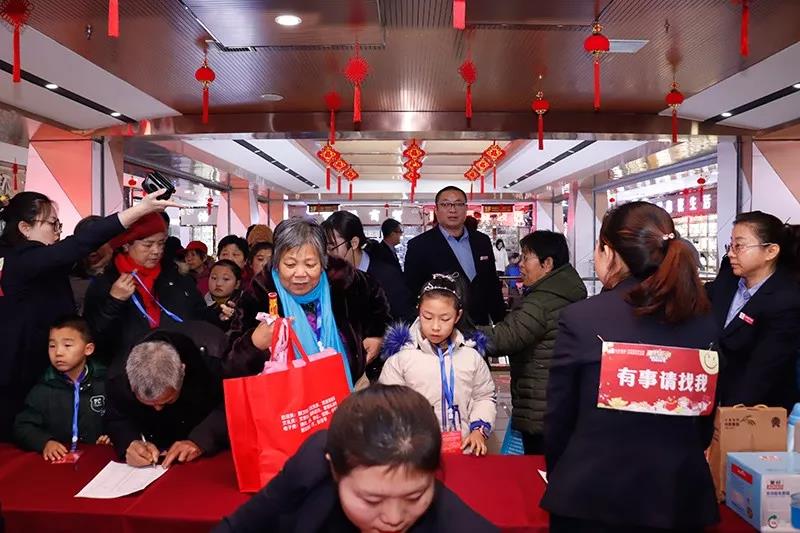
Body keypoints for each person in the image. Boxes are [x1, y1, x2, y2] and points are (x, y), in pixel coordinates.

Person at [541, 201, 719, 532]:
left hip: (591, 496)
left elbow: (559, 417)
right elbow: (702, 421)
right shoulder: (703, 319)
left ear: (609, 252)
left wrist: (562, 471)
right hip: (676, 497)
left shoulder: (584, 318)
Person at [0, 188, 176, 440]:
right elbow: (79, 243)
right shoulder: (21, 260)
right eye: (52, 224)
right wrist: (139, 210)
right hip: (21, 375)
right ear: (25, 229)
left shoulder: (29, 261)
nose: (57, 231)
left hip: (45, 365)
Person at [213, 384, 498, 533]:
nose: (394, 519)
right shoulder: (313, 462)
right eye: (371, 500)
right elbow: (241, 526)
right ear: (334, 468)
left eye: (414, 497)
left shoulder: (459, 526)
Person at [227, 217, 391, 386]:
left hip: (351, 389)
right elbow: (230, 366)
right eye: (290, 265)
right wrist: (253, 344)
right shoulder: (259, 294)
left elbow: (379, 307)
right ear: (277, 263)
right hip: (287, 396)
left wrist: (377, 336)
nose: (300, 274)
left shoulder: (345, 281)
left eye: (310, 264)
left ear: (323, 262)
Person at [479, 231, 586, 455]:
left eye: (526, 258)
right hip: (559, 397)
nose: (521, 264)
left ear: (547, 264)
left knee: (540, 464)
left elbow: (506, 338)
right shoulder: (565, 291)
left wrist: (462, 333)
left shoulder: (541, 301)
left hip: (541, 401)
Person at [380, 274, 496, 456]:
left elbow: (484, 396)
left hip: (464, 448)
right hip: (415, 453)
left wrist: (478, 430)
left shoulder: (471, 357)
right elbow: (388, 405)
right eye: (427, 317)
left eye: (445, 319)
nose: (435, 327)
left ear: (457, 316)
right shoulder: (401, 359)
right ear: (419, 311)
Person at [83, 213, 210, 369]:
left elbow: (199, 316)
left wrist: (220, 315)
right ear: (126, 244)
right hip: (125, 372)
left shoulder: (176, 276)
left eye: (161, 243)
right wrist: (113, 302)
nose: (156, 251)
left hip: (176, 368)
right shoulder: (107, 281)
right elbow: (93, 337)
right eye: (148, 245)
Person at [706, 211, 800, 410]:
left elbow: (763, 372)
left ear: (771, 251)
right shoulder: (728, 280)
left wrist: (727, 415)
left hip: (755, 410)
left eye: (739, 246)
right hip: (714, 395)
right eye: (731, 245)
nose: (731, 253)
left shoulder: (787, 300)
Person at [104, 330, 229, 468]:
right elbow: (116, 417)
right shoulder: (117, 377)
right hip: (155, 455)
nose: (158, 409)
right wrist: (130, 442)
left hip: (208, 450)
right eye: (148, 404)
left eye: (167, 401)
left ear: (183, 372)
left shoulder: (215, 360)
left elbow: (232, 405)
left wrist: (201, 439)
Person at [13, 316, 111, 461]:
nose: (58, 352)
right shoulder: (44, 387)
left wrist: (112, 436)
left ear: (88, 349)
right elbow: (23, 426)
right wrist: (45, 442)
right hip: (60, 461)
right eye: (52, 346)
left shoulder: (105, 382)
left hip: (97, 460)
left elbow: (121, 419)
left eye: (67, 345)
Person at [404, 186, 505, 327]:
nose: (453, 210)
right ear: (436, 210)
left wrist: (501, 322)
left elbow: (491, 284)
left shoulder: (482, 241)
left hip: (481, 326)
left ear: (466, 208)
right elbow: (412, 292)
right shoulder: (419, 245)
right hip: (442, 328)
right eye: (445, 204)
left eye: (458, 204)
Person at [323, 210, 415, 322]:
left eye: (331, 247)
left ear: (354, 243)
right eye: (325, 249)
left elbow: (405, 320)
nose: (327, 255)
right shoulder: (327, 277)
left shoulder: (388, 277)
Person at [69, 215, 114, 315]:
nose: (91, 248)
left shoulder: (123, 275)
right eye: (85, 242)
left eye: (98, 241)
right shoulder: (70, 283)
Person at [205, 259, 241, 331]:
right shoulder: (199, 303)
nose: (218, 283)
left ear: (237, 284)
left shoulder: (244, 304)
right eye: (214, 278)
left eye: (226, 279)